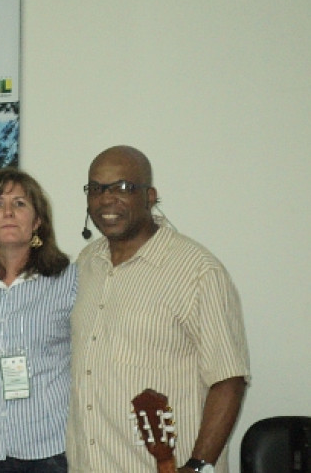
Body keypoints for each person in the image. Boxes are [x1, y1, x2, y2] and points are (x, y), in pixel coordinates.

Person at [67, 145, 249, 473]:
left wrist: (198, 465)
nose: (106, 199)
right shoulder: (85, 264)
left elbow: (229, 379)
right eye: (96, 188)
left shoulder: (197, 271)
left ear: (150, 196)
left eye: (123, 187)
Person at [0, 168, 76, 473]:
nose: (8, 212)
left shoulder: (69, 280)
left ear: (37, 222)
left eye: (20, 203)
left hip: (50, 449)